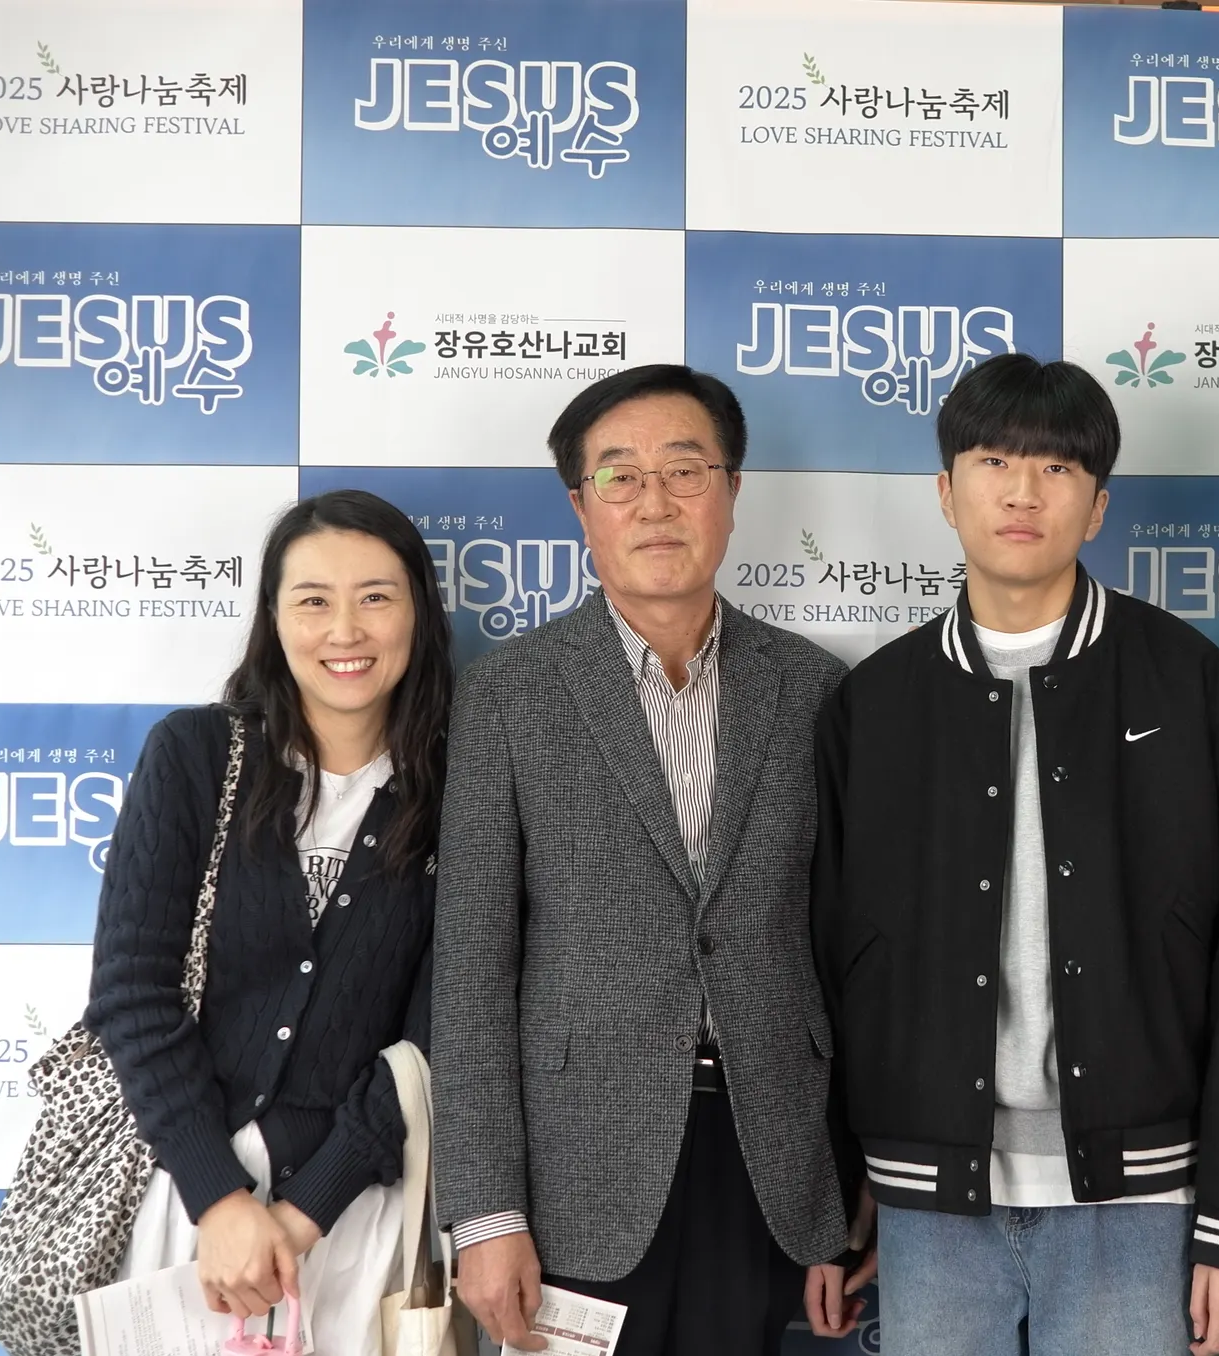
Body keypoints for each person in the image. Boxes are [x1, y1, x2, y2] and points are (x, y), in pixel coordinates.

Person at [812, 354, 1219, 1356]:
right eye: (993, 461)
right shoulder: (875, 704)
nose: (1023, 492)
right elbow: (825, 962)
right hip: (927, 1195)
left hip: (1140, 1193)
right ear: (946, 492)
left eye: (1056, 468)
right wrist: (831, 1198)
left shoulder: (1191, 685)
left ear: (1098, 505)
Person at [432, 365, 867, 1356]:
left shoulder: (813, 690)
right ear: (580, 506)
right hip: (576, 1169)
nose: (656, 503)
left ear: (732, 490)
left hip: (770, 1163)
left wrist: (848, 1179)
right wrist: (486, 1214)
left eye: (685, 471)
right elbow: (470, 971)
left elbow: (847, 953)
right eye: (620, 477)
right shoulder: (508, 695)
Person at [85, 489, 454, 1348]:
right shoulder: (195, 756)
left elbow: (440, 1032)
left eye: (376, 597)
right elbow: (132, 993)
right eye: (313, 600)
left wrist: (305, 1211)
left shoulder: (459, 789)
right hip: (188, 1212)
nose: (345, 631)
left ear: (418, 613)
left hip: (357, 1221)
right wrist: (220, 1200)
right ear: (274, 618)